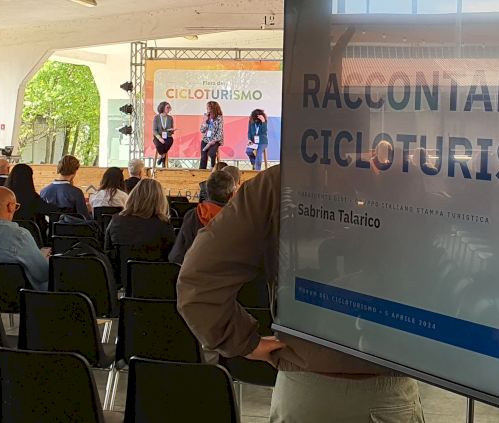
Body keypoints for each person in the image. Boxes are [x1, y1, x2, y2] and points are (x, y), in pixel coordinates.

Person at [177, 165, 425, 421]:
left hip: (303, 390)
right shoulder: (406, 179)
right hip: (387, 392)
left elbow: (199, 278)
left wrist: (245, 342)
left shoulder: (276, 182)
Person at [169, 165, 239, 265]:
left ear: (207, 192)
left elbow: (176, 256)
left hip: (194, 271)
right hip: (227, 272)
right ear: (232, 195)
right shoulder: (238, 220)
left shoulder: (193, 215)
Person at [106, 179, 175, 273]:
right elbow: (171, 259)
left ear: (133, 196)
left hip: (121, 278)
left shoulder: (116, 221)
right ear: (160, 200)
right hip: (155, 278)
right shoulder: (164, 226)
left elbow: (108, 253)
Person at [6, 163, 59, 235]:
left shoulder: (4, 196)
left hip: (6, 234)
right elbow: (51, 211)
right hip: (32, 236)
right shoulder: (33, 198)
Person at [199, 101, 224, 169]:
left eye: (208, 107)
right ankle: (201, 171)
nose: (207, 108)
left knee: (212, 153)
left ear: (213, 108)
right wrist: (205, 121)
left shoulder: (219, 118)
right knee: (203, 157)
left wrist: (214, 141)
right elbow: (202, 130)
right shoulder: (206, 116)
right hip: (206, 140)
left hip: (215, 140)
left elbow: (220, 131)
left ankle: (213, 166)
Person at [152, 101, 176, 168]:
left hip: (167, 136)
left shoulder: (170, 118)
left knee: (169, 142)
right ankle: (163, 157)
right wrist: (159, 138)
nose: (169, 109)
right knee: (159, 145)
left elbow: (171, 132)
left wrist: (172, 130)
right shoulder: (156, 118)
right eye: (167, 107)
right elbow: (154, 130)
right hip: (158, 136)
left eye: (169, 107)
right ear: (162, 108)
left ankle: (161, 157)